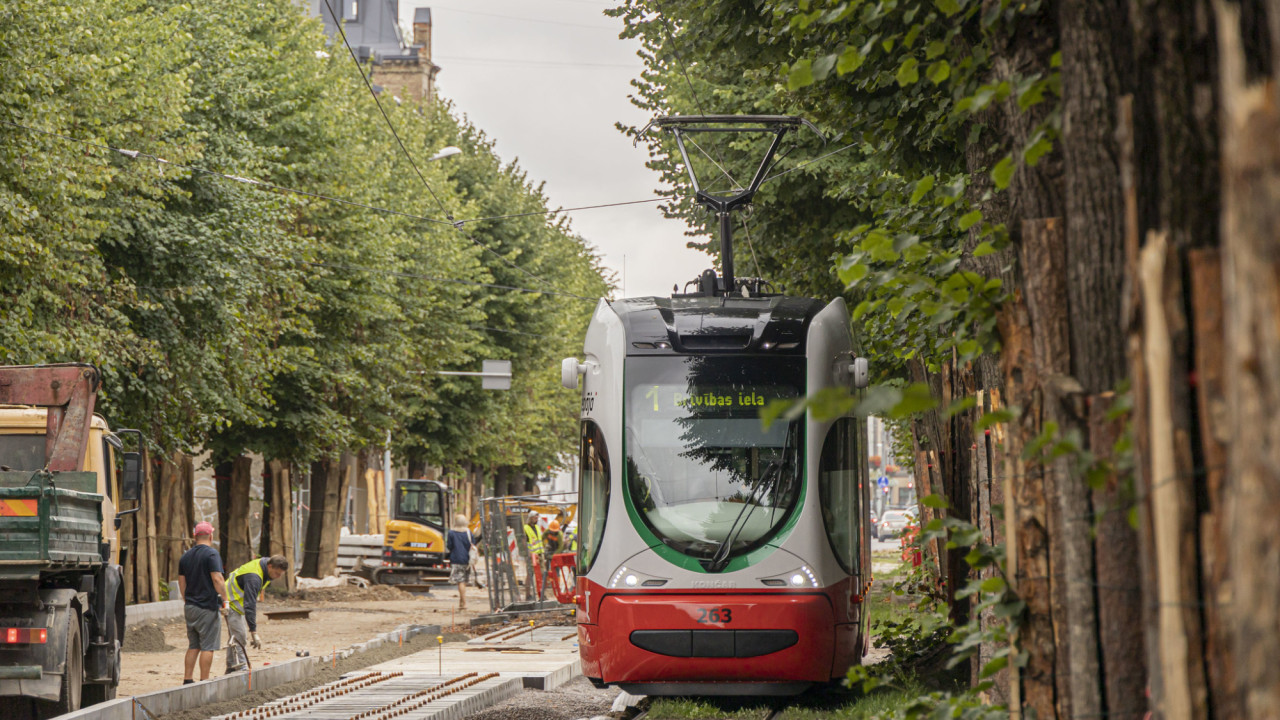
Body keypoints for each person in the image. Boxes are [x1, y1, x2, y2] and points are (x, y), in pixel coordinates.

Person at [178, 522, 227, 684]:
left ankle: (187, 679)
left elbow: (181, 583)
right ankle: (204, 681)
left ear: (195, 537)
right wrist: (225, 600)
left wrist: (188, 600)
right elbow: (217, 579)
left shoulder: (185, 556)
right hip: (207, 607)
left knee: (193, 645)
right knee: (208, 646)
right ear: (211, 536)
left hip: (190, 606)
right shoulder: (212, 555)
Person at [224, 555, 289, 673]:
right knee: (240, 637)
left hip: (237, 602)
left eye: (280, 574)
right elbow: (250, 605)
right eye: (277, 573)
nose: (278, 577)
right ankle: (241, 669)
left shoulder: (266, 564)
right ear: (270, 566)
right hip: (230, 602)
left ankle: (231, 667)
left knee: (235, 636)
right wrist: (253, 631)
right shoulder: (254, 578)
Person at [445, 514, 473, 610]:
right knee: (463, 581)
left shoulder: (451, 533)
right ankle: (461, 602)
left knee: (460, 581)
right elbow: (472, 544)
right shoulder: (469, 533)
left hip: (456, 559)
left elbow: (449, 546)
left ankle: (464, 603)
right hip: (467, 559)